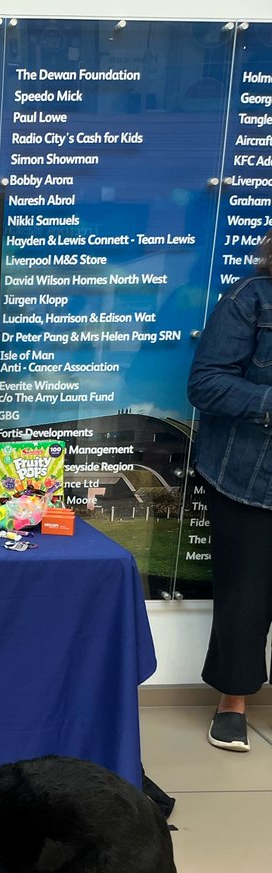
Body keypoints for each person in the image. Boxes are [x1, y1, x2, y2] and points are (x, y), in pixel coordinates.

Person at [187, 228, 272, 752]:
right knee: (246, 594)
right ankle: (233, 701)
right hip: (249, 476)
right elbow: (206, 383)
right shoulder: (251, 298)